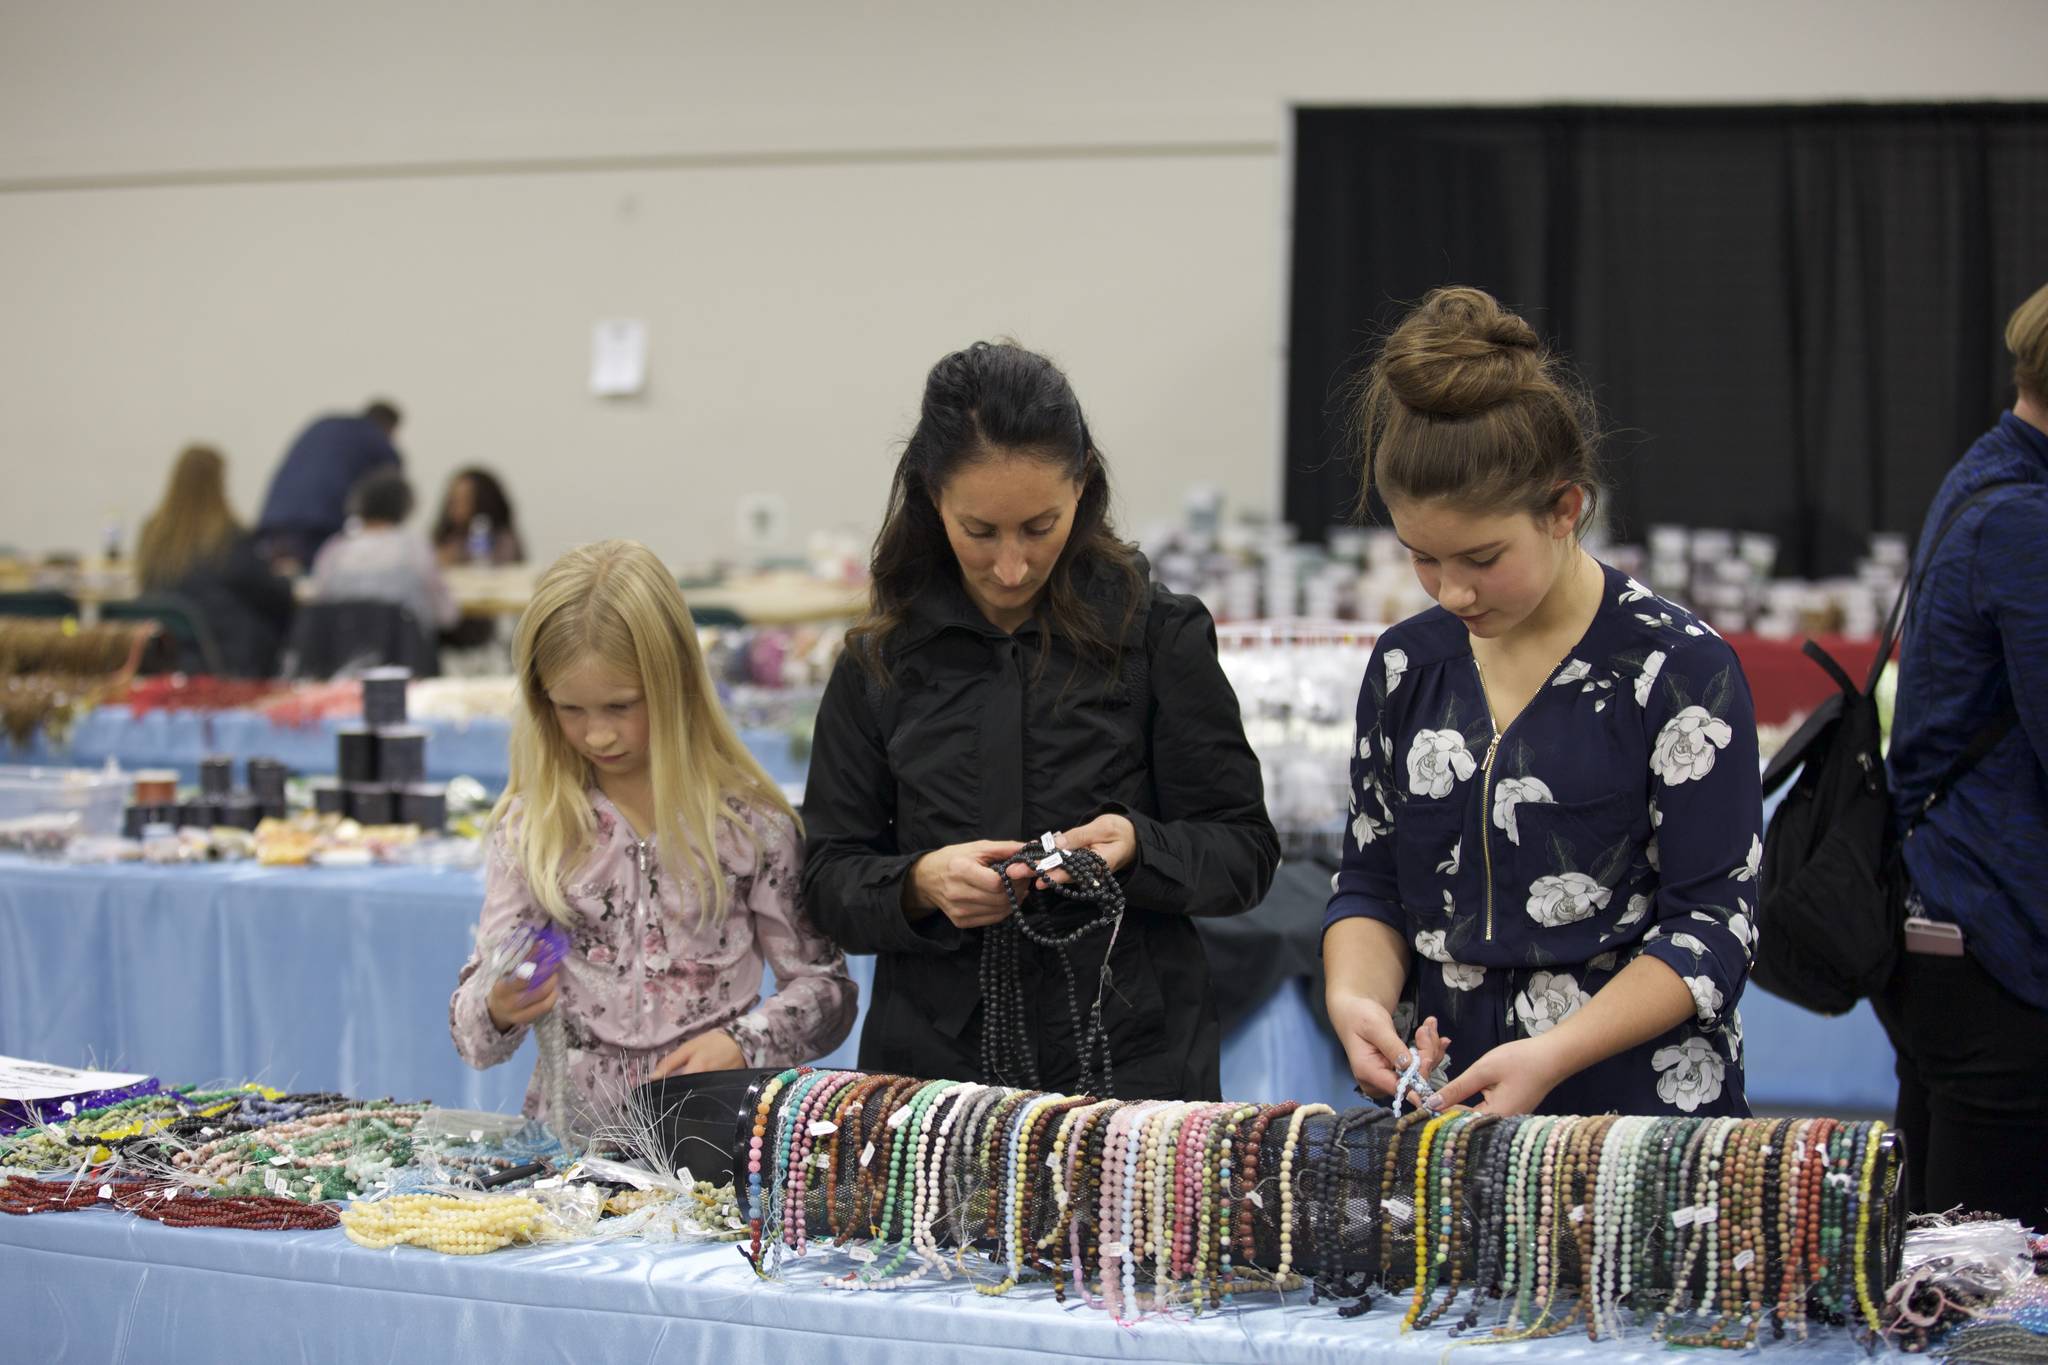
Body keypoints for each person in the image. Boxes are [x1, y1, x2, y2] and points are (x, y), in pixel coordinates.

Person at [801, 341, 1280, 1101]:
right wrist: (920, 883)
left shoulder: (1160, 635)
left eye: (1040, 525)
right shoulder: (881, 659)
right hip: (934, 1073)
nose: (1013, 566)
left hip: (1134, 1068)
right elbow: (826, 877)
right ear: (931, 497)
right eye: (980, 531)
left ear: (1083, 485)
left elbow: (1244, 852)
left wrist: (1138, 845)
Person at [1323, 286, 1759, 1118]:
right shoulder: (1407, 665)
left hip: (1636, 1118)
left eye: (1482, 558)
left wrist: (1557, 1054)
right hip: (1450, 1111)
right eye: (1421, 557)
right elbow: (1370, 883)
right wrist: (1357, 999)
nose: (1451, 590)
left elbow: (1712, 925)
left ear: (1566, 509)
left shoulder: (1677, 670)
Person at [450, 539, 856, 1129]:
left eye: (620, 706)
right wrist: (498, 1005)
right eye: (570, 710)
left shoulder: (750, 824)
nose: (597, 736)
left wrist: (744, 1043)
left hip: (713, 1141)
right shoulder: (535, 826)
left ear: (675, 685)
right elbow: (476, 1036)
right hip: (571, 1153)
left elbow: (827, 991)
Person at [1879, 281, 2048, 1226]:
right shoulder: (2023, 519)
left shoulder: (1985, 476)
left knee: (1944, 1257)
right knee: (1994, 1288)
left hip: (1955, 924)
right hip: (2000, 943)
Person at [132, 444, 294, 676]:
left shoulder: (153, 535)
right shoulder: (227, 538)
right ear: (219, 484)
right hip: (227, 658)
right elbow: (270, 593)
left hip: (166, 656)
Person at [307, 470, 459, 637]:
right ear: (405, 507)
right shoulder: (414, 549)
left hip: (343, 655)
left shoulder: (334, 551)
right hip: (404, 654)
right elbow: (446, 615)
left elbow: (322, 607)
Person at [255, 400, 403, 570]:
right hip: (320, 525)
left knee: (276, 579)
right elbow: (392, 493)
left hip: (275, 519)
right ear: (390, 427)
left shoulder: (324, 424)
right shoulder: (377, 439)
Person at [432, 467, 525, 566]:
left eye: (464, 500)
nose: (456, 507)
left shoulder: (504, 540)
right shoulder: (446, 538)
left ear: (482, 502)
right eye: (453, 500)